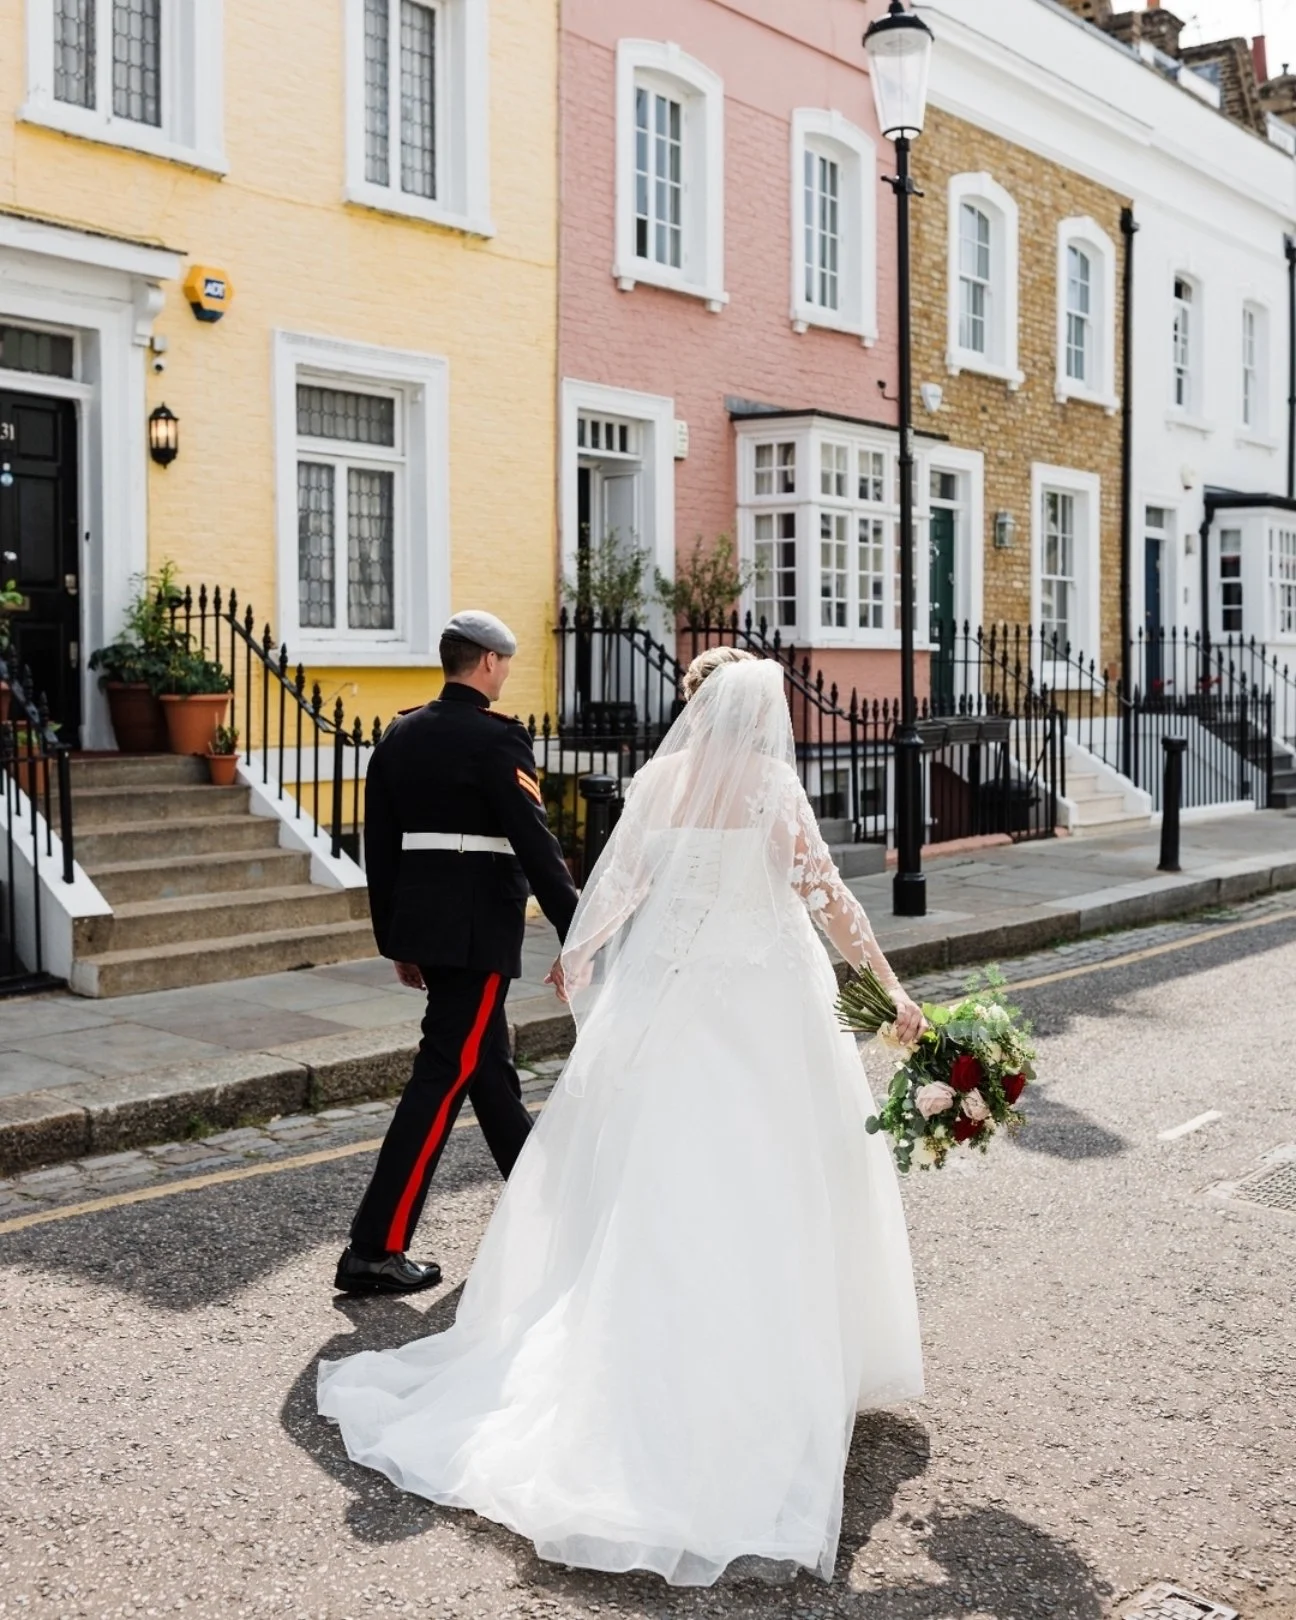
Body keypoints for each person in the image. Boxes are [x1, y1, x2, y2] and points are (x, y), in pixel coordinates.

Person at [319, 649, 925, 1584]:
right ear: (758, 719)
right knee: (774, 1184)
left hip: (671, 1004)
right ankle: (761, 1372)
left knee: (659, 1184)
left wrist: (587, 951)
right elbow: (830, 902)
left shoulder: (660, 780)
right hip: (767, 1007)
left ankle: (649, 1363)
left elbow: (619, 883)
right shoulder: (767, 788)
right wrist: (889, 990)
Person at [333, 610, 579, 1298]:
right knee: (441, 1078)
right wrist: (579, 931)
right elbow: (536, 845)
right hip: (476, 938)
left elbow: (378, 849)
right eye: (507, 663)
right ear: (490, 664)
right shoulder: (498, 741)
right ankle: (373, 1247)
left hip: (430, 932)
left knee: (491, 1075)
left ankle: (548, 1215)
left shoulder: (401, 734)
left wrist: (397, 942)